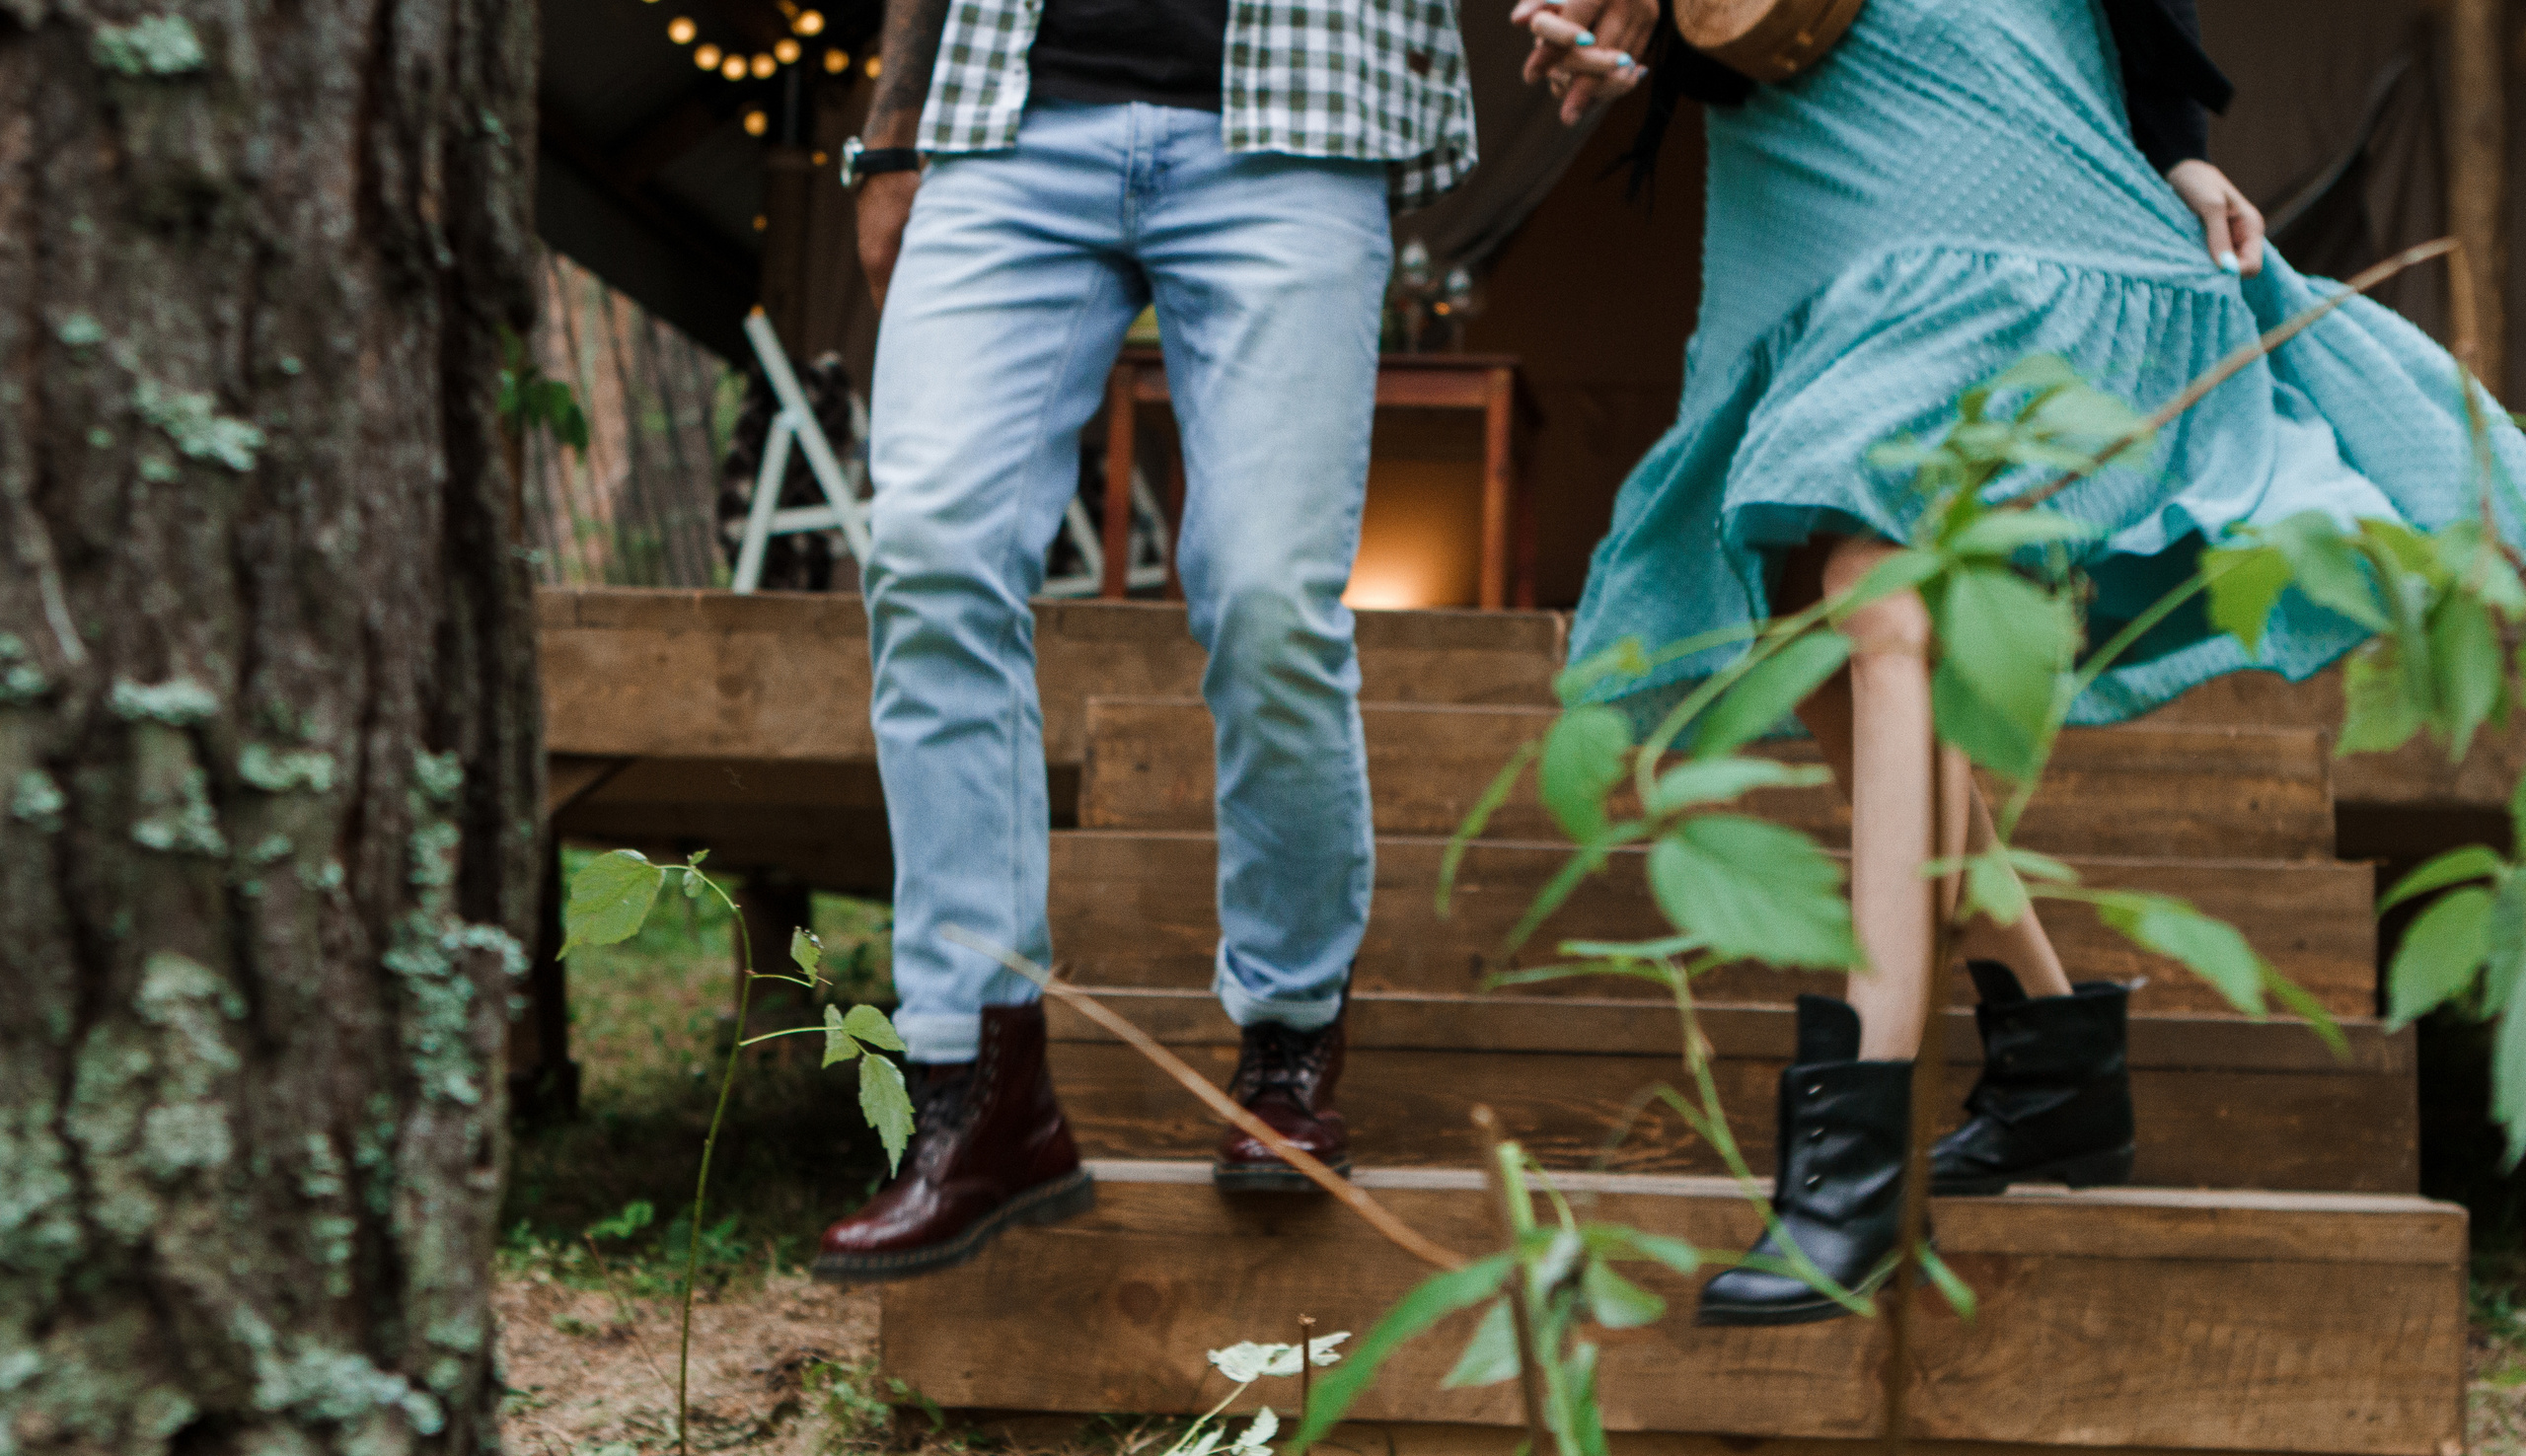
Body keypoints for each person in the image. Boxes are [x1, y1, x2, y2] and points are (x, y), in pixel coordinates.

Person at [1521, 0, 2524, 1325]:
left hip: (1985, 88)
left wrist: (2170, 139)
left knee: (1881, 576)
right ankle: (2056, 1075)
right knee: (1797, 617)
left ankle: (1860, 1143)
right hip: (1798, 148)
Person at [813, 0, 1478, 1282]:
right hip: (1006, 116)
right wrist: (893, 134)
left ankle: (1288, 1039)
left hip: (1294, 114)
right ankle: (979, 1084)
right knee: (930, 550)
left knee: (1268, 596)